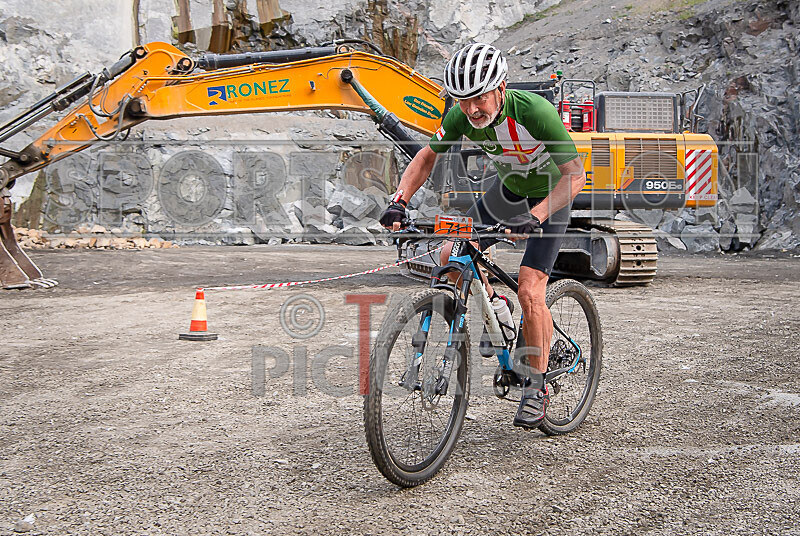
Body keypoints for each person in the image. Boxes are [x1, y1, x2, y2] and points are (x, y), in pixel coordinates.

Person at [379, 43, 586, 429]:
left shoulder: (535, 113)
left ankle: (536, 388)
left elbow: (576, 175)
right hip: (508, 190)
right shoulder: (461, 116)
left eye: (479, 97)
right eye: (463, 100)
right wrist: (399, 201)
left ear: (501, 88)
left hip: (550, 194)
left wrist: (537, 216)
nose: (472, 108)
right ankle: (501, 317)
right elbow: (426, 156)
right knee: (450, 255)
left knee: (530, 288)